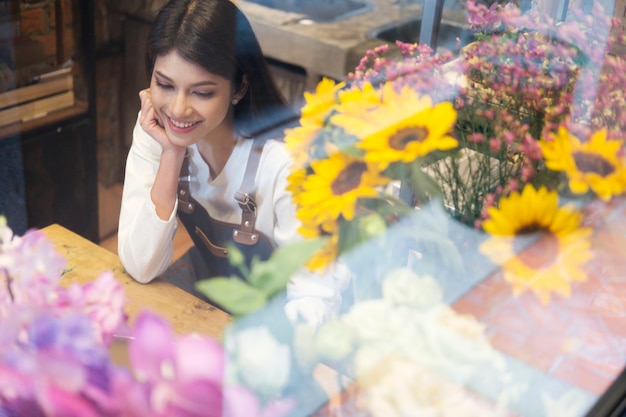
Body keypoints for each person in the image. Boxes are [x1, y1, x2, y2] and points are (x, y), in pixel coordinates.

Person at [117, 0, 348, 327]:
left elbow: (315, 296)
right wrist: (171, 154)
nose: (178, 110)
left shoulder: (287, 164)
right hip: (215, 310)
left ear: (238, 87)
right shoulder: (156, 131)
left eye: (201, 93)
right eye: (165, 85)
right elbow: (140, 265)